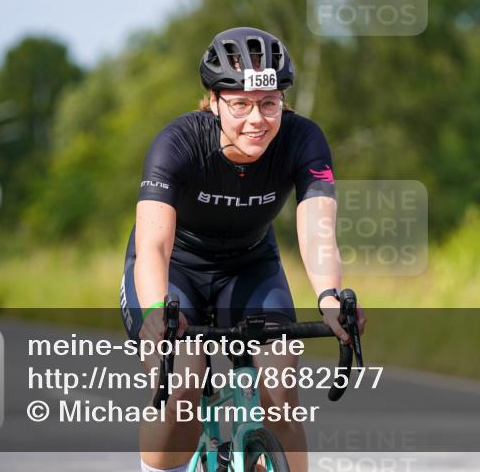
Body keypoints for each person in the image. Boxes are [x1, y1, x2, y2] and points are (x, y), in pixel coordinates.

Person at [119, 27, 364, 472]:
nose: (258, 119)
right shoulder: (177, 143)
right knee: (183, 385)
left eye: (269, 103)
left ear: (283, 102)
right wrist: (158, 308)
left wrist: (330, 298)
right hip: (176, 270)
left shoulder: (303, 140)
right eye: (241, 104)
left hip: (250, 267)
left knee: (281, 392)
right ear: (214, 101)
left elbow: (317, 232)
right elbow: (153, 243)